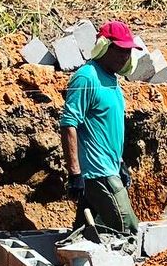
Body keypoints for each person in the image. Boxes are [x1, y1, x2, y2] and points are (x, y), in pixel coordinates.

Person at [59, 20, 141, 235]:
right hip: (97, 172)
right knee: (126, 227)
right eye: (121, 50)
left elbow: (108, 128)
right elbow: (69, 123)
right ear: (104, 47)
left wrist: (120, 163)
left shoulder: (112, 79)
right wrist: (75, 173)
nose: (126, 56)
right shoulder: (87, 77)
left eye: (128, 51)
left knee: (87, 232)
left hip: (110, 167)